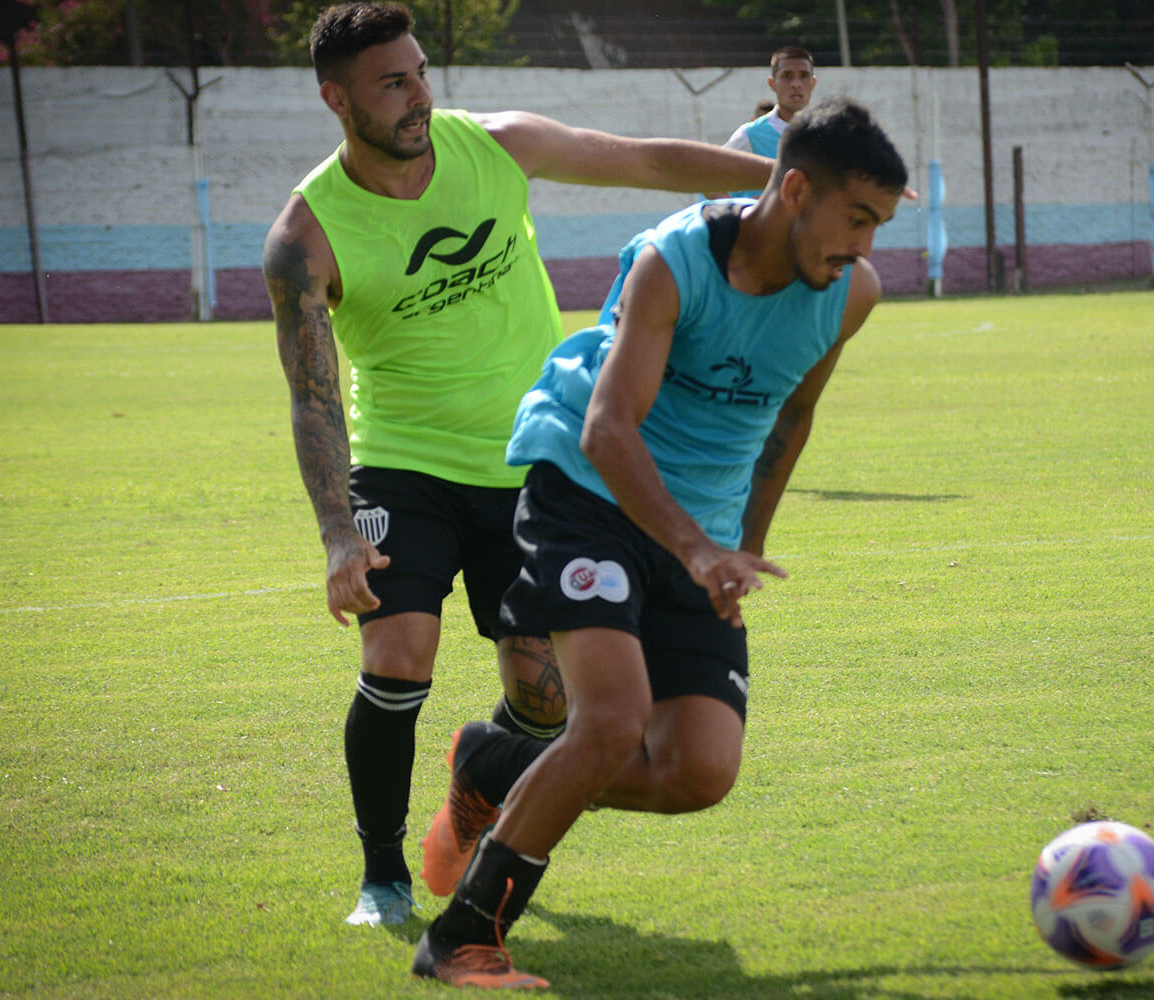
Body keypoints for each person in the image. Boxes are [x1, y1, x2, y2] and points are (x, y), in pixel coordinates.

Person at [262, 1, 772, 931]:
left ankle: (477, 782)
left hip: (533, 467)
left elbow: (647, 162)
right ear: (337, 98)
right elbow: (312, 395)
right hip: (403, 468)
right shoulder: (306, 238)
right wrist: (338, 531)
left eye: (420, 72)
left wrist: (789, 179)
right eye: (392, 82)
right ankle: (380, 879)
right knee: (398, 654)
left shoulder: (492, 146)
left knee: (541, 699)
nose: (419, 96)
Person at [411, 96, 909, 988]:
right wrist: (696, 550)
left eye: (879, 227)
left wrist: (740, 554)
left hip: (702, 530)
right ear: (795, 190)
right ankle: (461, 936)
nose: (865, 248)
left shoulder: (850, 296)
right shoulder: (673, 262)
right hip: (589, 491)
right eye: (858, 219)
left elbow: (792, 418)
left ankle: (493, 761)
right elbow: (608, 428)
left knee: (696, 772)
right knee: (609, 724)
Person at [703, 45, 818, 199]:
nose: (796, 84)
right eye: (787, 76)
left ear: (813, 82)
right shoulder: (751, 134)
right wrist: (743, 214)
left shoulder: (830, 134)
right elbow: (707, 180)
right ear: (772, 84)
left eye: (804, 75)